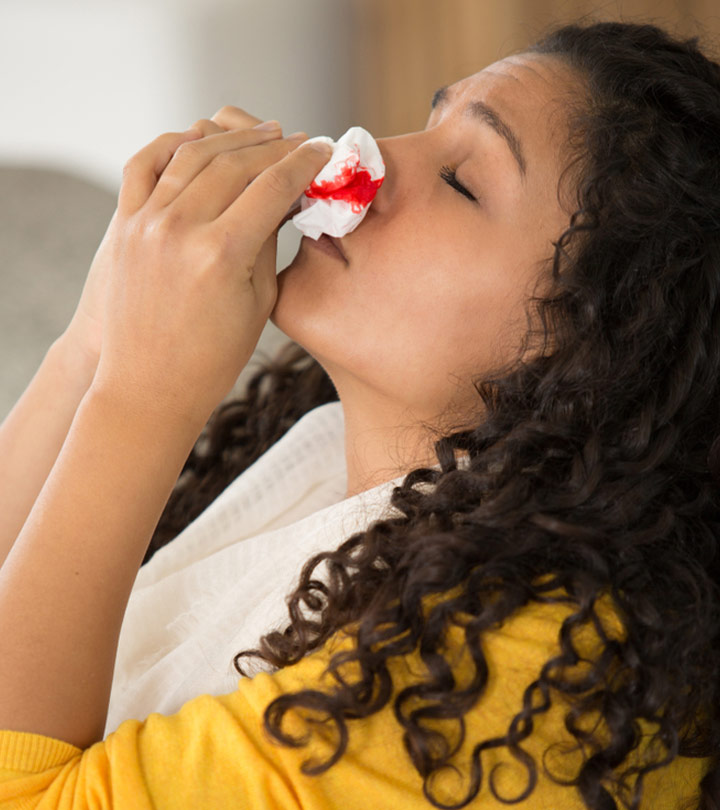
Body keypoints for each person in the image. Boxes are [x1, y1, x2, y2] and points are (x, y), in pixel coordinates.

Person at [0, 17, 718, 810]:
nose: (366, 154)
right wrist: (95, 344)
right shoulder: (317, 457)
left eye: (461, 180)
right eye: (425, 118)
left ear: (598, 353)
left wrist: (141, 400)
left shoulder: (519, 687)